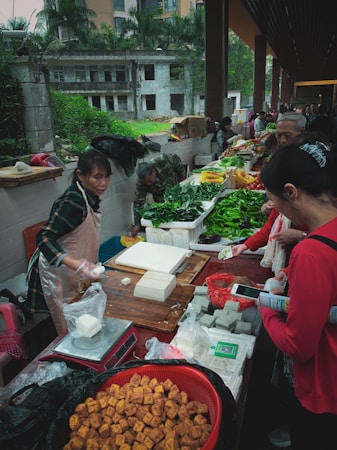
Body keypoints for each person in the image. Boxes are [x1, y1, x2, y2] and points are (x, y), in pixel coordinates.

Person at [258, 140, 337, 450]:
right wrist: (293, 277)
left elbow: (298, 345)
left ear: (291, 192)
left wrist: (267, 305)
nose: (273, 206)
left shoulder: (311, 252)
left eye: (272, 198)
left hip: (323, 386)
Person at [26, 149, 112, 335]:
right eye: (97, 177)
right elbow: (43, 237)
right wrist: (76, 264)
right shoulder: (73, 201)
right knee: (68, 327)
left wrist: (86, 266)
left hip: (75, 273)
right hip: (58, 274)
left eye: (106, 177)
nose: (103, 183)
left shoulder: (89, 197)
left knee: (82, 323)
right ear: (80, 175)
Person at [131, 153, 186, 235]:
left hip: (175, 188)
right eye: (146, 183)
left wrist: (183, 178)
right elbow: (138, 203)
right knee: (166, 218)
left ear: (153, 172)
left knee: (182, 214)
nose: (148, 184)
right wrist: (137, 224)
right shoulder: (141, 183)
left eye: (149, 181)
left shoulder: (163, 160)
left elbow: (176, 160)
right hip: (160, 198)